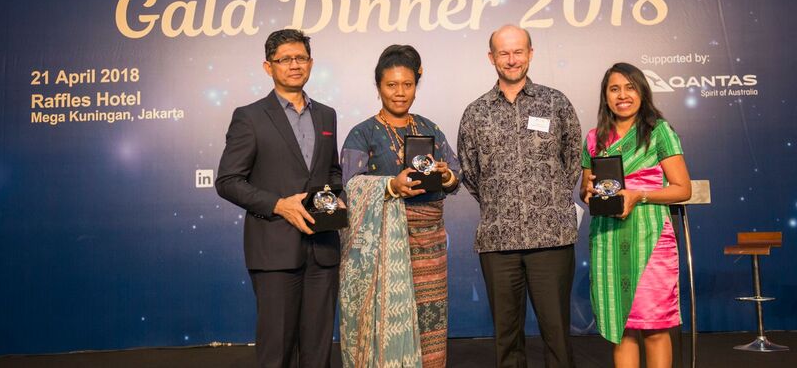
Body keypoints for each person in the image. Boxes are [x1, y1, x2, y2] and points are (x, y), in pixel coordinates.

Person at [215, 29, 343, 368]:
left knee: (318, 353)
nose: (294, 65)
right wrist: (278, 204)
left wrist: (335, 196)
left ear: (311, 63)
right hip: (274, 253)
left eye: (300, 58)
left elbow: (332, 172)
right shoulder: (250, 116)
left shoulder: (326, 115)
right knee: (277, 354)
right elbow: (228, 181)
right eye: (285, 59)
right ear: (268, 66)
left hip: (323, 251)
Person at [457, 24, 581, 368]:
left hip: (552, 238)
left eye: (518, 51)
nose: (511, 60)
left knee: (556, 335)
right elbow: (471, 173)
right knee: (506, 338)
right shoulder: (475, 112)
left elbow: (572, 161)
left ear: (530, 53)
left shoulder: (556, 102)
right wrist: (504, 204)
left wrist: (548, 199)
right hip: (498, 241)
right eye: (503, 53)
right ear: (491, 57)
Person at [339, 44, 461, 368]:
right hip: (385, 247)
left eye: (407, 85)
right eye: (391, 85)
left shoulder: (429, 128)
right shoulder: (362, 134)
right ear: (378, 86)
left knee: (429, 323)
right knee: (387, 324)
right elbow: (350, 188)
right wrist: (390, 186)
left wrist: (446, 174)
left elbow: (456, 176)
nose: (400, 92)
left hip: (430, 247)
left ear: (416, 86)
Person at [580, 62, 691, 368]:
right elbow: (584, 191)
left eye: (630, 87)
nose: (622, 95)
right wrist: (588, 190)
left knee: (654, 326)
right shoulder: (593, 139)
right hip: (608, 240)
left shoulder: (659, 132)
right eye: (614, 89)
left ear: (642, 91)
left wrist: (638, 195)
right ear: (605, 96)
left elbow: (683, 189)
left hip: (650, 240)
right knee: (622, 329)